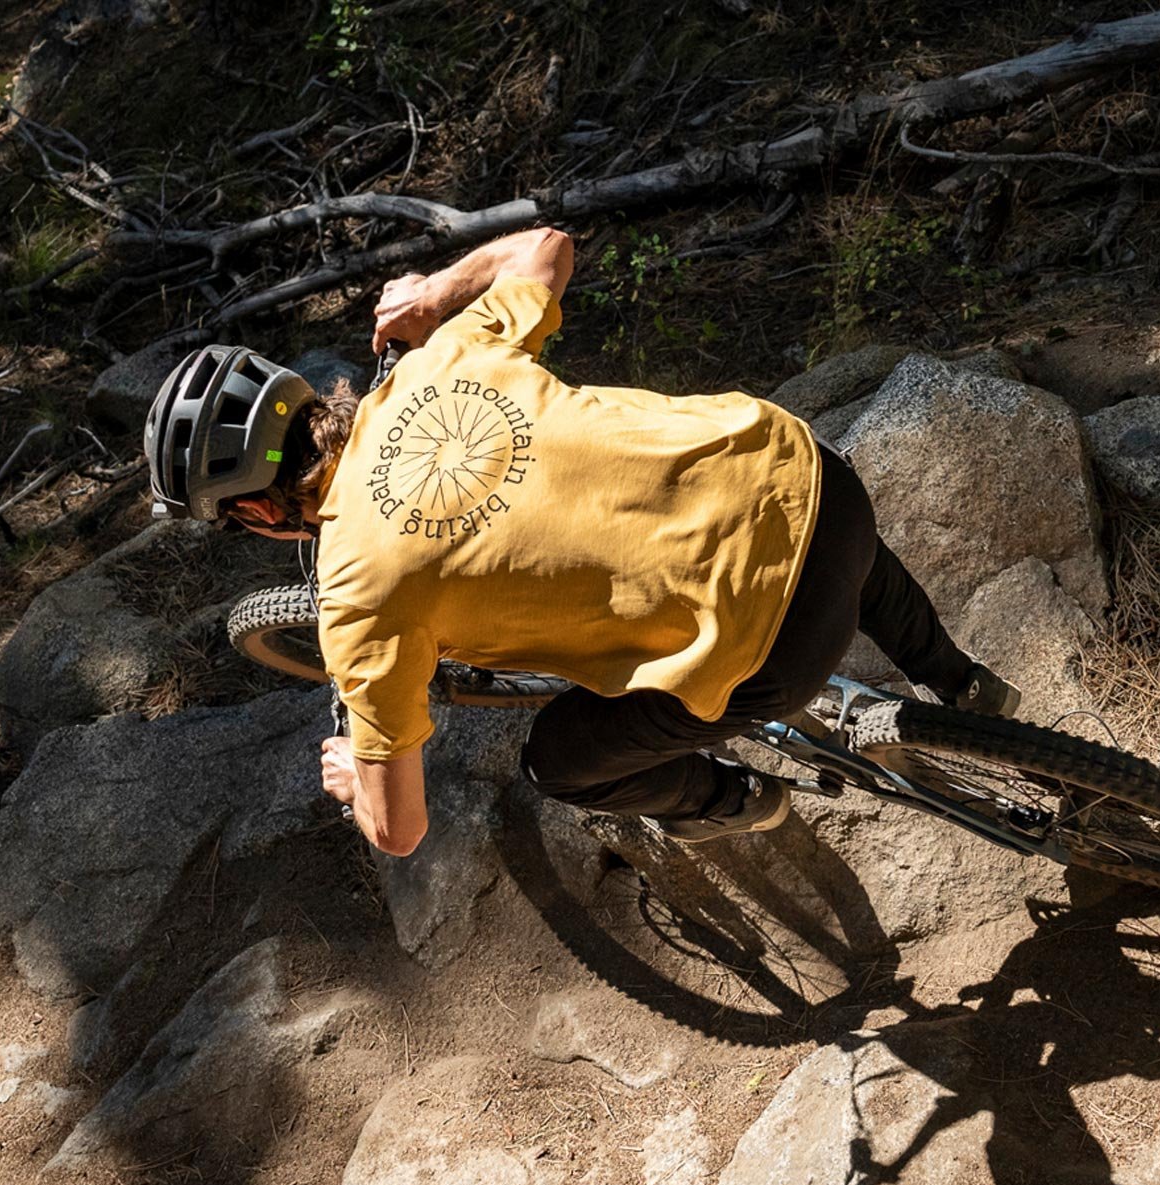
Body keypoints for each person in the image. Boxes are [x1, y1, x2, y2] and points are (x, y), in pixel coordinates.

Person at [144, 227, 1019, 857]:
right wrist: (439, 290)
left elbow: (399, 829)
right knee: (795, 509)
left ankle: (736, 799)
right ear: (301, 394)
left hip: (779, 648)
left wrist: (349, 777)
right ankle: (959, 677)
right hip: (814, 474)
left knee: (558, 763)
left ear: (257, 514)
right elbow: (547, 246)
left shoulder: (359, 600)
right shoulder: (439, 359)